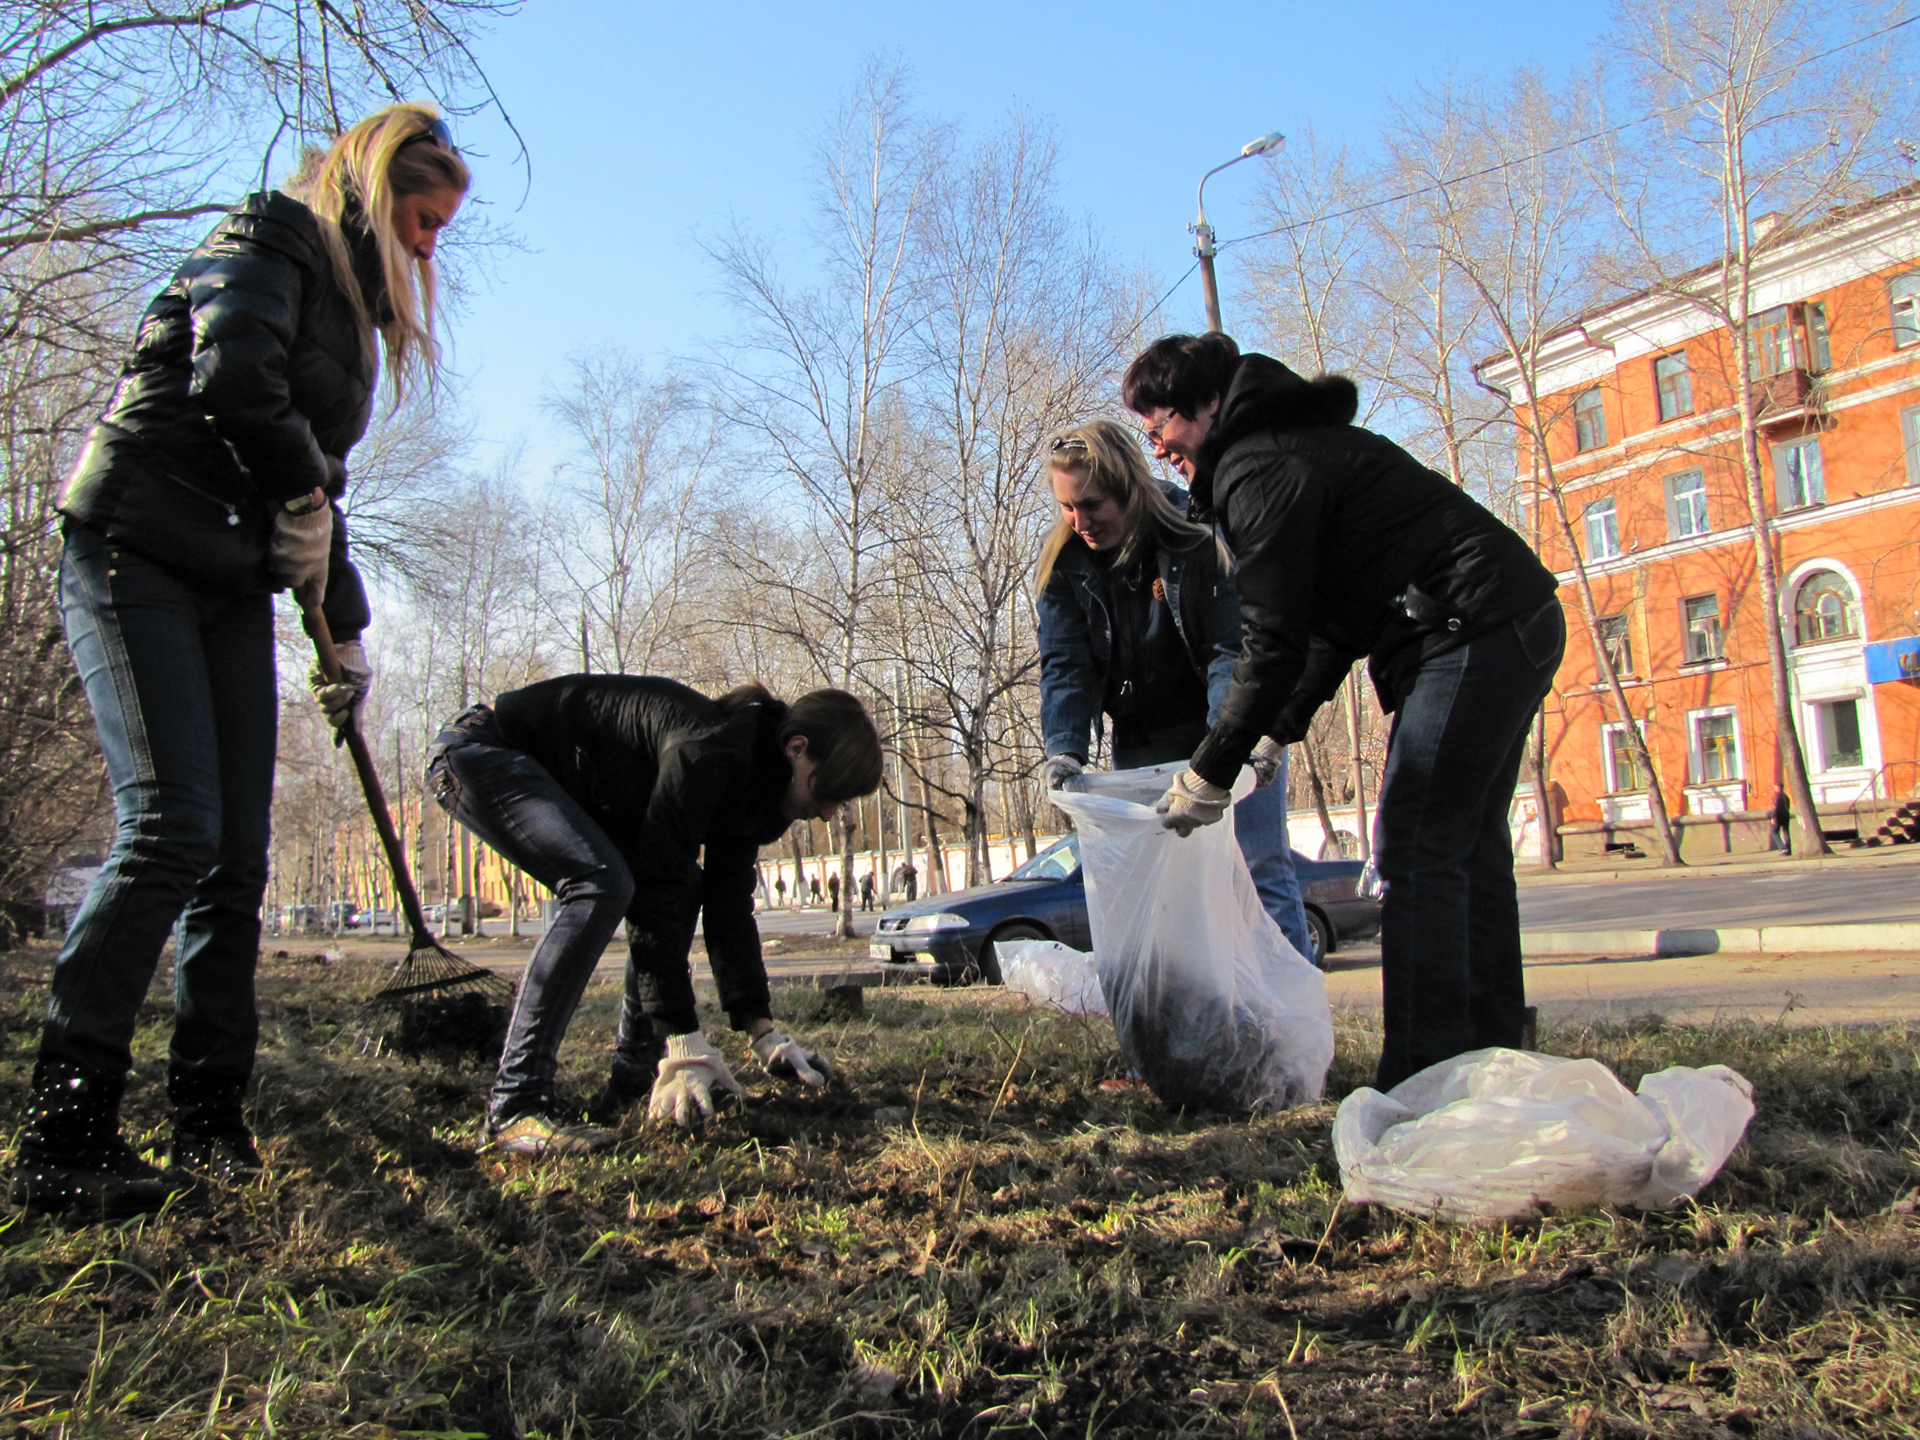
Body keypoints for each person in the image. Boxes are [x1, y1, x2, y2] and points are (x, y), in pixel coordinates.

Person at [16, 104, 470, 1216]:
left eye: (440, 230)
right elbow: (231, 378)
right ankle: (65, 1128)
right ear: (370, 189)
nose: (427, 248)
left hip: (227, 578)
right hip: (134, 544)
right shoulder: (268, 234)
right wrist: (303, 491)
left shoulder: (355, 318)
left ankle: (209, 1115)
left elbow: (318, 483)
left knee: (238, 861)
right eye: (420, 220)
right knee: (172, 826)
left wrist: (346, 626)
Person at [1124, 333, 1563, 1092]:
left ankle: (1420, 1080)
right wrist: (1269, 732)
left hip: (1473, 627)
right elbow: (1328, 630)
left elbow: (1272, 641)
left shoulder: (1260, 468)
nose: (1157, 446)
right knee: (1469, 850)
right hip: (1507, 618)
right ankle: (1493, 1057)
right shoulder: (1286, 448)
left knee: (1417, 846)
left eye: (1160, 423)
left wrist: (1211, 767)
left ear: (1209, 404)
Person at [427, 678, 884, 1152]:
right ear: (796, 748)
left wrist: (763, 1033)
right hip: (478, 751)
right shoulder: (706, 755)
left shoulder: (753, 787)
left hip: (538, 772)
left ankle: (631, 1085)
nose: (830, 813)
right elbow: (656, 896)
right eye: (829, 790)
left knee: (663, 888)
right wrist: (683, 1040)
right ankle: (514, 1106)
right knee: (603, 885)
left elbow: (728, 909)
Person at [1035, 419, 1311, 959]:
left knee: (1256, 872)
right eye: (1067, 507)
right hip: (1143, 743)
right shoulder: (1064, 563)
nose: (1080, 521)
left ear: (1129, 488)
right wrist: (1064, 750)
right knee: (1164, 892)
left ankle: (1286, 1031)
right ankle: (1189, 1025)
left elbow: (1229, 650)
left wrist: (1230, 751)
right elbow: (1067, 665)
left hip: (1228, 727)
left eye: (1092, 504)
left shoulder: (1194, 535)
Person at [1769, 787, 1792, 853]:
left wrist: (1773, 817)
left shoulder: (1776, 796)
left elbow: (1775, 807)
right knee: (1786, 831)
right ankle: (1789, 849)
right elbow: (1788, 806)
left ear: (1777, 787)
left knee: (1774, 832)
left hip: (1778, 815)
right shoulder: (1786, 796)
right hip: (1786, 815)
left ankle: (1783, 847)